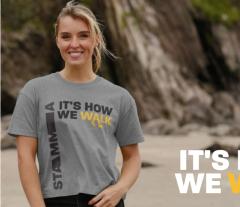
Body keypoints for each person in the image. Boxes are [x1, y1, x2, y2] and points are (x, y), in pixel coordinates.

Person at [7, 1, 144, 207]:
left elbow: (132, 157)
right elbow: (25, 157)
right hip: (55, 201)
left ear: (96, 39)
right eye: (66, 36)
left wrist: (120, 189)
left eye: (83, 35)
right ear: (57, 41)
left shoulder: (120, 97)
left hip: (105, 201)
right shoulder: (34, 91)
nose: (74, 44)